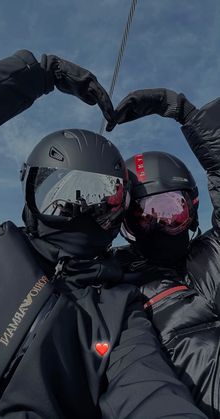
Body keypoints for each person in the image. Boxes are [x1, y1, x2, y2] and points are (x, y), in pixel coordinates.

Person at [0, 52, 207, 419]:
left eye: (98, 198)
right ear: (29, 189)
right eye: (62, 195)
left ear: (117, 211)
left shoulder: (117, 311)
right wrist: (36, 74)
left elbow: (147, 388)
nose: (80, 211)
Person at [107, 88, 220, 418]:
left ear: (192, 210)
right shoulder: (118, 283)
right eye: (141, 218)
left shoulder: (214, 251)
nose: (156, 225)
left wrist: (184, 113)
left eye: (170, 210)